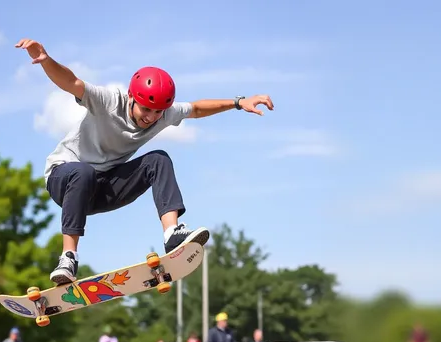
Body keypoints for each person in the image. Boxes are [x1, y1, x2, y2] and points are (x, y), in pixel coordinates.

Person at [15, 38, 274, 285]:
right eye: (145, 110)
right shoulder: (108, 101)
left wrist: (239, 102)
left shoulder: (162, 114)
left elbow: (195, 109)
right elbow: (72, 82)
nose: (151, 118)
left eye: (157, 112)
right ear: (131, 97)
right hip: (64, 178)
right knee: (84, 173)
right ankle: (68, 258)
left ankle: (171, 234)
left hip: (102, 188)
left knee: (158, 160)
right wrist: (46, 60)